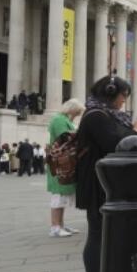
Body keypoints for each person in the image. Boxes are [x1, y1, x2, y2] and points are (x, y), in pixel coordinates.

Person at [76, 76, 137, 272]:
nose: (124, 101)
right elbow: (115, 144)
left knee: (107, 232)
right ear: (111, 92)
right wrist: (136, 129)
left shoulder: (107, 114)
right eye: (123, 95)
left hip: (109, 181)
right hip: (98, 182)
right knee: (97, 233)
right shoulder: (96, 115)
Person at [48, 99, 84, 238]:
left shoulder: (63, 119)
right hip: (59, 163)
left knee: (62, 196)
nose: (76, 115)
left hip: (64, 162)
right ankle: (55, 226)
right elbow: (65, 138)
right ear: (71, 109)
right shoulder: (58, 120)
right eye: (76, 112)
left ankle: (60, 225)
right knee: (58, 194)